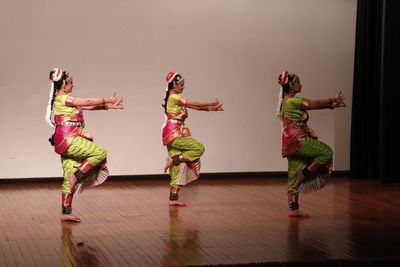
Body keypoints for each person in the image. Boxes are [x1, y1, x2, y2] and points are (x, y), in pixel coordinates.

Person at [45, 68, 124, 222]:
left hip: (64, 140)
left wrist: (107, 106)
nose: (73, 85)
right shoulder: (63, 99)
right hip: (70, 138)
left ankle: (66, 212)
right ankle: (78, 175)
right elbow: (86, 102)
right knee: (99, 153)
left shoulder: (62, 100)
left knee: (68, 178)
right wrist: (107, 99)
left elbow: (86, 106)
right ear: (63, 84)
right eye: (71, 83)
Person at [276, 70, 345, 218]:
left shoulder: (285, 102)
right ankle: (304, 173)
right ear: (292, 86)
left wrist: (331, 105)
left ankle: (293, 209)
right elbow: (314, 104)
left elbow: (297, 120)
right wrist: (331, 99)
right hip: (297, 140)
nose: (301, 85)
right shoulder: (292, 101)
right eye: (298, 82)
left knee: (292, 174)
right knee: (326, 152)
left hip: (289, 142)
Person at [162, 71, 223, 207]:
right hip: (174, 133)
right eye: (182, 85)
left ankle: (173, 199)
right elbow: (193, 103)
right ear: (174, 85)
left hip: (173, 133)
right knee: (199, 148)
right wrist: (211, 102)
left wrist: (211, 109)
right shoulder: (173, 97)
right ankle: (173, 159)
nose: (183, 87)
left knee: (179, 167)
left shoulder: (175, 98)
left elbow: (194, 107)